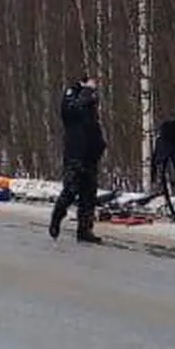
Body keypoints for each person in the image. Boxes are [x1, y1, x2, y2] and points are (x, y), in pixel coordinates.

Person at [49, 74, 106, 244]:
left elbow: (93, 127)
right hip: (75, 154)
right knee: (71, 190)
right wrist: (86, 91)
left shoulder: (90, 105)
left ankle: (85, 229)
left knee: (89, 194)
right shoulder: (72, 96)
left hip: (90, 154)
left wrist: (100, 145)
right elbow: (72, 110)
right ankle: (57, 217)